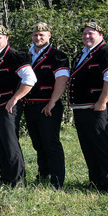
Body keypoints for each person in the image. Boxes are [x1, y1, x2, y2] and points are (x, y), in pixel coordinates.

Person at [68, 21, 108, 192]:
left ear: (101, 34)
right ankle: (96, 181)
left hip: (99, 108)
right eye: (84, 33)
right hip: (82, 109)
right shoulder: (80, 55)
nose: (87, 36)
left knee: (103, 145)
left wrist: (102, 102)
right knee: (88, 146)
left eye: (91, 33)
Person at [0, 25, 36, 187]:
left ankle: (18, 180)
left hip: (8, 108)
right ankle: (5, 177)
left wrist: (15, 98)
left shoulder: (15, 56)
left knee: (10, 143)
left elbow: (30, 79)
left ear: (7, 39)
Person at [23, 22, 70, 188]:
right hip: (30, 105)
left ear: (49, 35)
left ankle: (57, 181)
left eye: (42, 35)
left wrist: (52, 102)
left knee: (51, 144)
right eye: (35, 35)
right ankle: (43, 175)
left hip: (48, 106)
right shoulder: (28, 55)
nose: (38, 37)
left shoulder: (57, 55)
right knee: (38, 143)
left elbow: (62, 79)